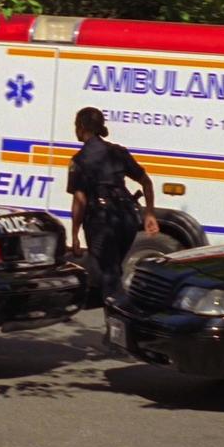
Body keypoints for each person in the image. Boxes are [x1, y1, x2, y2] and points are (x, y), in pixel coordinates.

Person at [67, 107, 159, 303]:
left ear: (82, 127)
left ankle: (118, 323)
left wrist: (74, 234)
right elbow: (146, 182)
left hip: (102, 222)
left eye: (76, 125)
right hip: (127, 221)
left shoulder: (80, 160)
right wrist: (149, 214)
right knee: (112, 269)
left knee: (108, 275)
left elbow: (80, 200)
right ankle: (116, 311)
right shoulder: (119, 152)